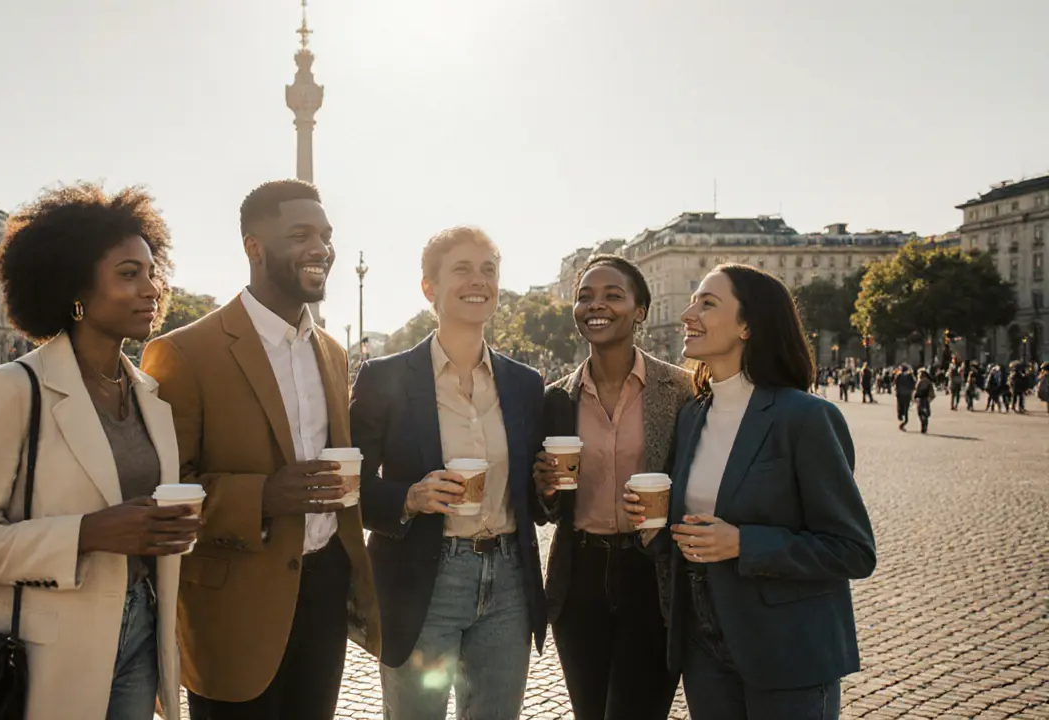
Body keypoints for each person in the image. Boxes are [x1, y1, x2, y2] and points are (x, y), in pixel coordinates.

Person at [0, 182, 196, 719]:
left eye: (151, 271)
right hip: (39, 650)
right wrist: (87, 534)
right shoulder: (12, 389)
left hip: (141, 633)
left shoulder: (149, 395)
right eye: (128, 274)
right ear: (74, 288)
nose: (152, 289)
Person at [141, 179, 380, 720]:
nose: (321, 247)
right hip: (233, 608)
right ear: (253, 247)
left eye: (326, 234)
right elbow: (160, 492)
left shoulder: (333, 353)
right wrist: (262, 497)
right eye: (301, 234)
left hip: (323, 595)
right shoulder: (184, 351)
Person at [624, 264, 876, 720]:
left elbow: (854, 550)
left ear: (747, 326)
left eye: (707, 303)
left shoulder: (806, 418)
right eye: (693, 301)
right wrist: (652, 529)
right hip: (703, 648)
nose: (687, 314)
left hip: (788, 650)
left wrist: (743, 543)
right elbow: (690, 532)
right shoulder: (693, 415)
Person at [348, 225, 545, 719]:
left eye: (489, 270)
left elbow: (538, 500)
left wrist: (549, 485)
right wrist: (409, 498)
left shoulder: (525, 383)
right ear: (429, 287)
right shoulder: (383, 378)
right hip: (423, 575)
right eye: (462, 268)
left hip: (508, 580)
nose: (479, 280)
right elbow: (352, 488)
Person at [534, 254, 690, 720]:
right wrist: (543, 488)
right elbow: (547, 508)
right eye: (585, 296)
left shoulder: (679, 390)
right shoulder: (557, 397)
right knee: (589, 712)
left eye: (612, 296)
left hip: (651, 573)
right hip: (578, 574)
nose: (595, 305)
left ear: (640, 310)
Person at [913, 368, 936, 434]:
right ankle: (925, 424)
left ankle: (923, 424)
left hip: (920, 399)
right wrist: (931, 398)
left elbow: (916, 390)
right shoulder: (928, 382)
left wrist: (914, 397)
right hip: (926, 399)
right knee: (926, 413)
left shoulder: (919, 381)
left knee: (920, 413)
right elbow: (932, 392)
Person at [893, 364, 916, 430]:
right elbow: (913, 385)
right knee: (906, 409)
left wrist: (897, 391)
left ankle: (900, 416)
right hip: (907, 394)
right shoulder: (910, 376)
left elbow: (895, 384)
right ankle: (905, 420)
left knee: (900, 406)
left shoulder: (898, 375)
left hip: (900, 394)